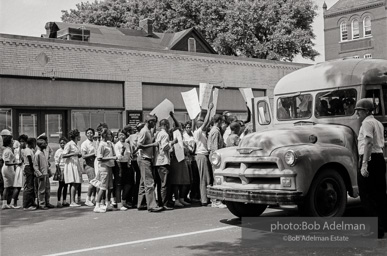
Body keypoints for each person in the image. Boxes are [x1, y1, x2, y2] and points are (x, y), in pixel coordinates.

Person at [355, 99, 387, 239]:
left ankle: (374, 230)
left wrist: (364, 164)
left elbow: (368, 143)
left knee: (367, 195)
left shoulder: (367, 123)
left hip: (369, 158)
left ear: (367, 111)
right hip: (379, 158)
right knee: (380, 195)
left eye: (360, 110)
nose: (357, 113)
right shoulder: (378, 123)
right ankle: (382, 227)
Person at [136, 114, 163, 213]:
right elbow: (139, 145)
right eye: (154, 122)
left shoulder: (148, 130)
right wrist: (153, 144)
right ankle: (151, 205)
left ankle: (141, 203)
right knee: (149, 182)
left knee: (143, 183)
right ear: (149, 122)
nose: (155, 124)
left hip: (146, 158)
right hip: (144, 158)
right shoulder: (144, 131)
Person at [92, 128, 117, 213]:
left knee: (110, 186)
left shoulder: (109, 144)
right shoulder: (102, 144)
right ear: (105, 135)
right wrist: (112, 158)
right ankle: (97, 205)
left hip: (110, 166)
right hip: (104, 167)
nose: (111, 136)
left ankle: (108, 204)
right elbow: (100, 158)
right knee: (103, 186)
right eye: (109, 134)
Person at [193, 103, 213, 206]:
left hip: (204, 155)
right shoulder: (198, 132)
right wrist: (209, 110)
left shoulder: (203, 132)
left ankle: (206, 198)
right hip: (201, 156)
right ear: (198, 124)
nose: (203, 122)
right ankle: (204, 200)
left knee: (207, 177)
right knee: (204, 178)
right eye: (200, 121)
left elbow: (208, 122)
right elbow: (206, 122)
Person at [154, 117, 175, 210]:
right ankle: (165, 203)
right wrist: (173, 142)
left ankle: (160, 202)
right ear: (166, 125)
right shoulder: (165, 134)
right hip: (163, 161)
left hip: (157, 161)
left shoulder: (158, 134)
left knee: (159, 183)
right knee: (165, 183)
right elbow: (165, 147)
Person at [207, 113, 227, 209]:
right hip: (216, 158)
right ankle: (215, 200)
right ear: (219, 121)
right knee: (216, 179)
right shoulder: (215, 131)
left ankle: (216, 199)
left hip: (215, 157)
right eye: (222, 121)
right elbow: (215, 148)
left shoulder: (215, 131)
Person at [1, 133, 23, 209]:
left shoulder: (9, 150)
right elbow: (7, 162)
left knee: (7, 187)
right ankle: (11, 203)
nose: (13, 142)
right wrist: (16, 163)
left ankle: (5, 203)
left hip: (8, 169)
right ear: (9, 142)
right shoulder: (7, 151)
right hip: (8, 169)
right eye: (12, 140)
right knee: (12, 186)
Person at [62, 129, 83, 207]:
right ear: (76, 136)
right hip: (71, 165)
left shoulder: (76, 144)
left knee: (76, 182)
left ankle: (73, 200)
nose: (80, 137)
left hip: (75, 164)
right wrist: (74, 153)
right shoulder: (69, 144)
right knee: (74, 182)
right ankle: (72, 201)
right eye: (79, 135)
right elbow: (63, 155)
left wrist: (78, 154)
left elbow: (77, 154)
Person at [126, 122, 144, 208]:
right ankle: (135, 200)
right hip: (135, 160)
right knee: (138, 180)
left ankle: (137, 200)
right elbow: (124, 144)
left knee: (139, 181)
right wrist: (129, 152)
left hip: (139, 159)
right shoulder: (132, 136)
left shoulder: (141, 135)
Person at [114, 129, 133, 210]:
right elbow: (118, 157)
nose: (122, 136)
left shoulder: (127, 144)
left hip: (126, 165)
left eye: (123, 135)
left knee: (128, 184)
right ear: (118, 136)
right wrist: (122, 151)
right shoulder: (117, 145)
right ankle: (119, 203)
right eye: (120, 135)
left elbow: (129, 155)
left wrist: (129, 163)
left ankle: (124, 200)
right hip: (119, 165)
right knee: (119, 185)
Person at [34, 139, 53, 210]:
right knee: (41, 190)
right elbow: (35, 165)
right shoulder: (37, 154)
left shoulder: (43, 152)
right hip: (41, 175)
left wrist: (48, 171)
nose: (45, 145)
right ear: (40, 145)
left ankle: (47, 202)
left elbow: (46, 163)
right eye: (44, 144)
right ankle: (42, 204)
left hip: (46, 173)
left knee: (47, 189)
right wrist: (39, 173)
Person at [81, 128, 97, 207]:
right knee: (92, 181)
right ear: (86, 134)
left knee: (96, 182)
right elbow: (84, 156)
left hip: (95, 164)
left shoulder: (95, 142)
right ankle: (87, 199)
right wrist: (94, 154)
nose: (90, 134)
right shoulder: (85, 144)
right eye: (88, 133)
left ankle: (93, 198)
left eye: (91, 133)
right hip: (89, 164)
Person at [54, 137, 70, 208]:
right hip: (61, 169)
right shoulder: (58, 151)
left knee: (66, 186)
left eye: (64, 143)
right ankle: (58, 201)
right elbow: (56, 162)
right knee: (61, 186)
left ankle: (64, 200)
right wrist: (58, 170)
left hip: (67, 169)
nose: (62, 144)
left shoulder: (68, 151)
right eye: (61, 143)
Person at [23, 137, 37, 210]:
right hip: (29, 167)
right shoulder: (28, 150)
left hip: (30, 167)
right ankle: (27, 205)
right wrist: (33, 169)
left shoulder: (31, 150)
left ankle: (32, 202)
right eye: (35, 143)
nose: (35, 145)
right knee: (29, 187)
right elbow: (30, 160)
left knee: (32, 186)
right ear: (31, 143)